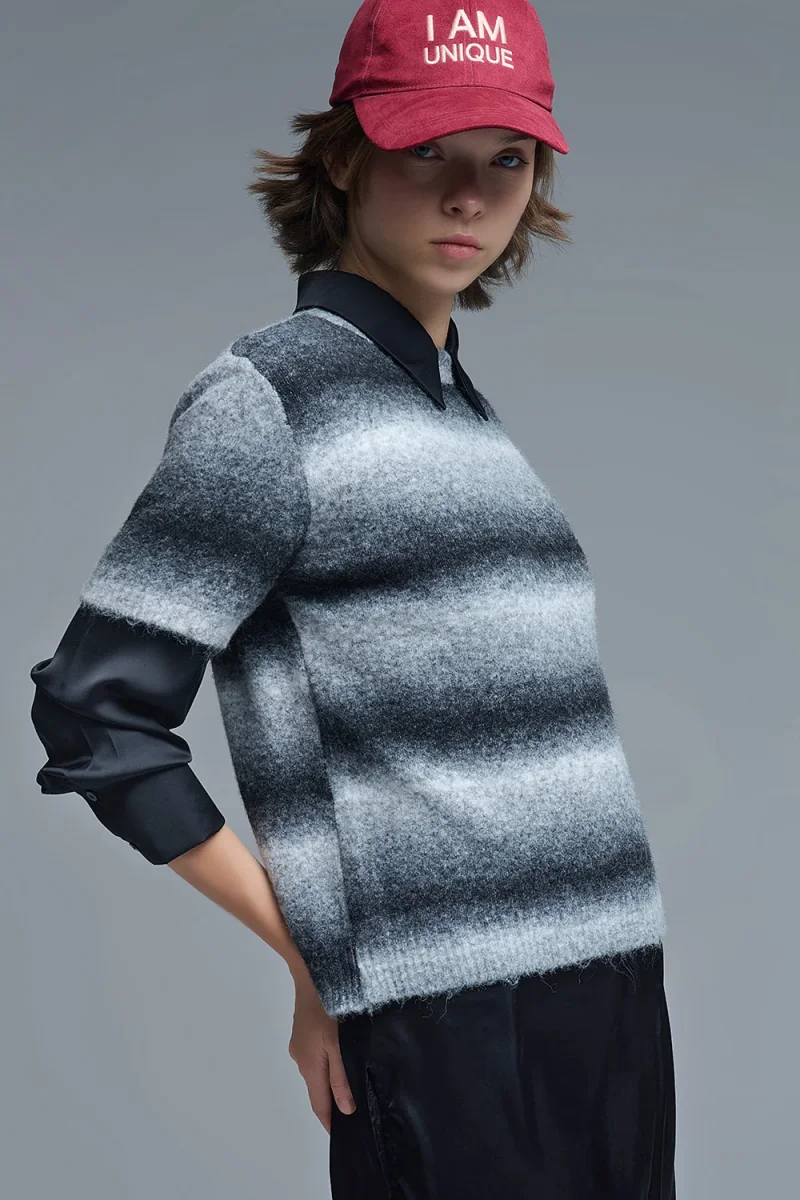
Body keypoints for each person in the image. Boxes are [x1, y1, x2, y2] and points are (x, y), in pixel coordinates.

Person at [28, 1, 677, 1196]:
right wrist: (311, 954)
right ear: (341, 157)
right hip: (454, 1026)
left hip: (608, 992)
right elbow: (93, 711)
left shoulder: (455, 408)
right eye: (424, 148)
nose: (468, 195)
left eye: (506, 158)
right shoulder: (269, 400)